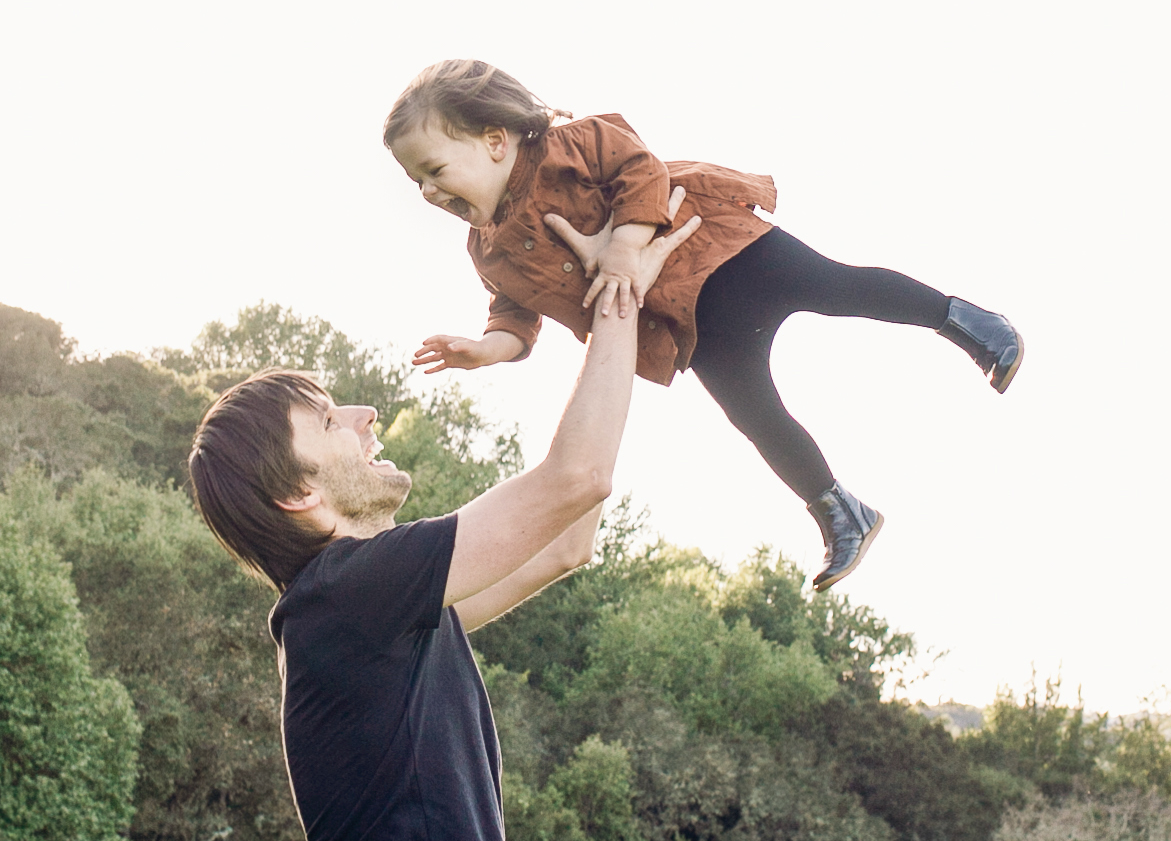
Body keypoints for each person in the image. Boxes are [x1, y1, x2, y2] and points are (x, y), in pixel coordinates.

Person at [186, 196, 697, 841]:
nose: (366, 412)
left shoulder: (378, 620)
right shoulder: (345, 598)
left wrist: (596, 314)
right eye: (329, 419)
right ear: (298, 495)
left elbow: (568, 535)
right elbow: (574, 478)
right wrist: (619, 297)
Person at [383, 58, 1025, 591]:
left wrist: (626, 247)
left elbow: (639, 168)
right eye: (416, 183)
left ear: (495, 140)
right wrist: (487, 349)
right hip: (684, 323)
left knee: (838, 286)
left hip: (719, 251)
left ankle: (969, 322)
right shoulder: (489, 251)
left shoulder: (569, 145)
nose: (429, 194)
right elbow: (516, 317)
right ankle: (841, 511)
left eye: (435, 171)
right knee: (753, 414)